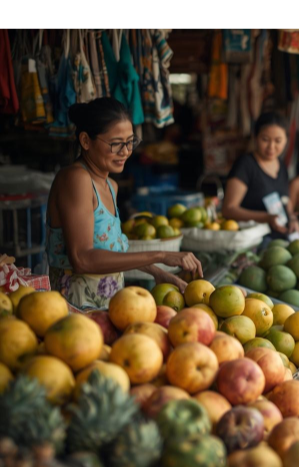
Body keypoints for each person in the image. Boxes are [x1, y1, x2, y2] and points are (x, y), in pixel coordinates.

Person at [47, 98, 202, 309]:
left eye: (130, 142)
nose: (126, 151)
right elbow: (82, 259)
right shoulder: (76, 179)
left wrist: (158, 272)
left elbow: (111, 251)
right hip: (75, 312)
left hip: (109, 310)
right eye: (116, 143)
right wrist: (161, 255)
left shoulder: (111, 185)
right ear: (85, 141)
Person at [222, 112, 299, 239]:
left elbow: (285, 200)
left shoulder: (282, 166)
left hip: (281, 239)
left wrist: (292, 218)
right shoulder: (245, 165)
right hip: (253, 241)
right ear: (255, 137)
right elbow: (228, 209)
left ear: (286, 140)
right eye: (265, 139)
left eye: (278, 141)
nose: (271, 146)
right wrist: (266, 217)